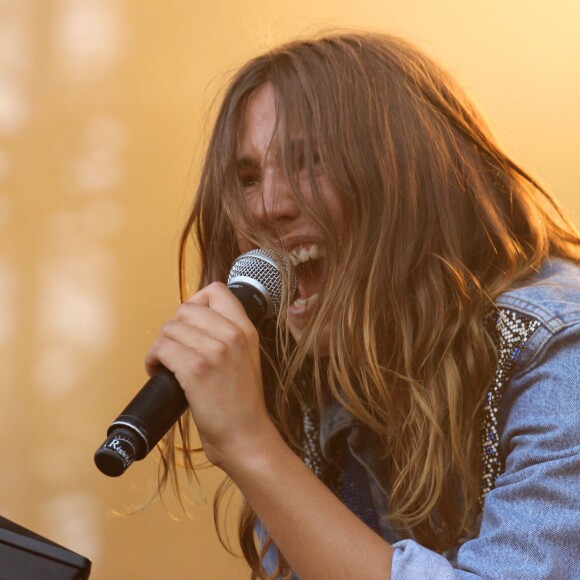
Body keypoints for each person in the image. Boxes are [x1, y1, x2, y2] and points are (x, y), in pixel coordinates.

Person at [144, 31, 580, 579]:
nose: (270, 206)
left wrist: (252, 447)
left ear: (416, 179)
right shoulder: (320, 370)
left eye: (310, 162)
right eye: (248, 177)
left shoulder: (561, 351)